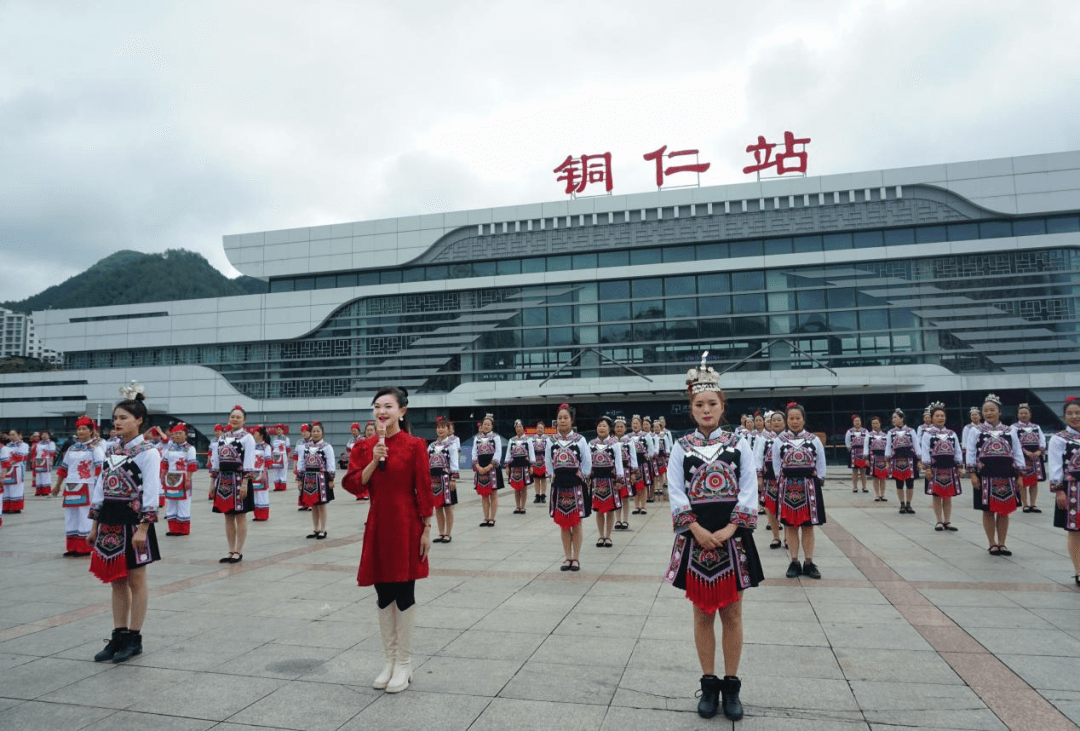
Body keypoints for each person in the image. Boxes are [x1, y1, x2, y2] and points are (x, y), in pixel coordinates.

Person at [664, 353, 760, 721]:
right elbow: (675, 490)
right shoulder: (680, 446)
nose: (706, 410)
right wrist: (698, 530)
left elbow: (749, 487)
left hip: (732, 538)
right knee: (702, 614)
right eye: (700, 404)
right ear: (691, 409)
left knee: (733, 615)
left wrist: (731, 527)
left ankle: (732, 686)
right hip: (696, 537)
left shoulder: (739, 443)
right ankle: (708, 684)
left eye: (713, 404)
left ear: (723, 406)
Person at [343, 386, 433, 694]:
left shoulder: (414, 445)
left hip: (407, 524)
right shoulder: (364, 446)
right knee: (383, 594)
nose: (382, 411)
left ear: (402, 411)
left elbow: (423, 487)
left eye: (388, 406)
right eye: (377, 406)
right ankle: (390, 660)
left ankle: (405, 664)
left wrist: (427, 527)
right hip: (378, 525)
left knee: (404, 590)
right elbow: (354, 484)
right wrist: (373, 459)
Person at [87, 384, 161, 663]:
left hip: (133, 522)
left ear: (139, 420)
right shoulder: (110, 448)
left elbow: (152, 492)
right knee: (116, 581)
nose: (117, 423)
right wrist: (94, 525)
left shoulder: (149, 452)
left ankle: (134, 637)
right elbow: (100, 485)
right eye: (115, 418)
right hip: (109, 522)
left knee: (136, 579)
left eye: (123, 418)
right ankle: (118, 635)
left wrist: (144, 527)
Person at [965, 394, 1024, 556]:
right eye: (986, 410)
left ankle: (1002, 543)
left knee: (1004, 510)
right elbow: (970, 452)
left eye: (992, 410)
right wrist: (972, 474)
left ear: (999, 411)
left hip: (1007, 475)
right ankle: (992, 543)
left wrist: (1020, 474)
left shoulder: (1010, 430)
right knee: (988, 510)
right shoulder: (975, 431)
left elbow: (1017, 452)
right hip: (984, 475)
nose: (989, 413)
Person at [774, 402, 827, 579]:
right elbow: (776, 465)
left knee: (808, 526)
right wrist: (781, 481)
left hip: (809, 487)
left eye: (798, 418)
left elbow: (821, 463)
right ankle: (794, 561)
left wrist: (818, 480)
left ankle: (809, 562)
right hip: (788, 487)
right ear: (786, 420)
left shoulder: (813, 440)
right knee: (790, 526)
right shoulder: (779, 441)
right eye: (791, 418)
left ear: (803, 419)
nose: (795, 421)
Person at [547, 403, 592, 571]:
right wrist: (552, 476)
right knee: (563, 524)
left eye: (566, 418)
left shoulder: (580, 440)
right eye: (560, 418)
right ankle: (567, 557)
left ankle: (576, 558)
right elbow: (547, 462)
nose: (562, 421)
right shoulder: (551, 441)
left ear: (572, 420)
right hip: (559, 485)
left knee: (576, 522)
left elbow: (587, 461)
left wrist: (585, 476)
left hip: (576, 485)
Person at [52, 416, 103, 555]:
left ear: (91, 431)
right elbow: (64, 468)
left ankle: (85, 547)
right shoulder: (72, 448)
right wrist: (57, 485)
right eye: (79, 429)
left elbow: (100, 468)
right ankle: (73, 547)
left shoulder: (95, 448)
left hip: (87, 486)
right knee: (70, 516)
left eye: (84, 429)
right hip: (71, 486)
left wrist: (99, 486)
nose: (81, 432)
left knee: (85, 515)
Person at [211, 406, 256, 563]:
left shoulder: (247, 437)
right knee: (228, 515)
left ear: (244, 420)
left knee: (240, 515)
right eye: (232, 416)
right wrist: (213, 481)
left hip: (239, 479)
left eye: (238, 417)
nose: (235, 419)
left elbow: (250, 460)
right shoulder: (222, 437)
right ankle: (230, 550)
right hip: (223, 480)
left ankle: (239, 550)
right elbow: (216, 460)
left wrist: (245, 482)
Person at [1047, 397, 1080, 586]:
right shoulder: (1059, 438)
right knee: (1075, 531)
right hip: (1072, 489)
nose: (1074, 416)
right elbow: (1055, 466)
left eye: (1077, 412)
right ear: (1065, 416)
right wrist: (1059, 491)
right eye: (1070, 413)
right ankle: (1078, 571)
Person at [919, 402, 963, 532]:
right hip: (935, 468)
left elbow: (958, 450)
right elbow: (925, 451)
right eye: (937, 416)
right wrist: (927, 467)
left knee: (948, 495)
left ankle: (947, 521)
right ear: (932, 418)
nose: (940, 418)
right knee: (937, 495)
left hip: (950, 467)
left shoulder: (951, 433)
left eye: (942, 416)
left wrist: (960, 465)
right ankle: (938, 520)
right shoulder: (928, 434)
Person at [589, 415, 624, 547]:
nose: (601, 428)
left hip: (610, 480)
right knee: (598, 510)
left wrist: (619, 479)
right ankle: (600, 536)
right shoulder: (591, 444)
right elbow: (587, 463)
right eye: (599, 426)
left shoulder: (615, 444)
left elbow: (619, 463)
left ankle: (608, 536)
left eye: (604, 426)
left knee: (610, 510)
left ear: (609, 429)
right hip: (596, 481)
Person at [297, 421, 335, 539]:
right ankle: (316, 529)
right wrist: (299, 479)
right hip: (308, 478)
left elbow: (331, 463)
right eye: (314, 431)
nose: (316, 433)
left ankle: (323, 529)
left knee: (322, 505)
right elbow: (301, 462)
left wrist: (331, 479)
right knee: (313, 504)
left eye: (318, 431)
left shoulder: (327, 447)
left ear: (322, 432)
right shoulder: (305, 447)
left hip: (322, 478)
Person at [161, 423, 198, 535]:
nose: (176, 435)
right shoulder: (169, 448)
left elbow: (191, 466)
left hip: (184, 478)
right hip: (170, 479)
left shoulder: (190, 449)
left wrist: (188, 479)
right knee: (171, 503)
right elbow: (164, 463)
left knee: (183, 504)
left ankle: (183, 529)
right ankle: (173, 529)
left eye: (179, 433)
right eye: (175, 433)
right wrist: (163, 477)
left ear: (186, 435)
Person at [754, 410, 784, 549]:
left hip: (786, 477)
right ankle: (776, 537)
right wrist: (759, 476)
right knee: (770, 506)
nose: (775, 423)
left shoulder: (788, 437)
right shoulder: (763, 437)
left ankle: (788, 538)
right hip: (769, 477)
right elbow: (758, 456)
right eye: (773, 420)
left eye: (779, 420)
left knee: (785, 506)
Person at [429, 416, 459, 543]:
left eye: (443, 427)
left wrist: (453, 479)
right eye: (438, 428)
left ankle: (448, 533)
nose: (440, 430)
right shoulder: (431, 446)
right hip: (434, 481)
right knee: (438, 507)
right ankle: (441, 532)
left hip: (446, 480)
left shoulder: (451, 445)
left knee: (448, 507)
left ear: (448, 429)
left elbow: (454, 463)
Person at [1014, 403, 1047, 513]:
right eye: (1021, 413)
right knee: (1022, 481)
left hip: (1035, 457)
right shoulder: (1014, 427)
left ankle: (1033, 504)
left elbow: (1042, 439)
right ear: (1018, 415)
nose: (1024, 415)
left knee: (1034, 482)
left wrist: (1039, 451)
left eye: (1026, 413)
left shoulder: (1036, 427)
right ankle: (1025, 504)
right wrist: (1025, 452)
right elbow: (1014, 442)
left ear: (1030, 414)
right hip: (1022, 457)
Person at [886, 409, 919, 514]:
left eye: (895, 417)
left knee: (910, 483)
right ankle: (902, 504)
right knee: (899, 483)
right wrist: (887, 461)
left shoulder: (911, 431)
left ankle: (909, 504)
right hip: (896, 459)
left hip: (910, 459)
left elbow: (916, 445)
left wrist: (920, 460)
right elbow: (888, 447)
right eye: (893, 418)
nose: (893, 420)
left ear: (902, 418)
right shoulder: (890, 432)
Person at [472, 415, 503, 527]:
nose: (486, 426)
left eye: (488, 424)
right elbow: (474, 453)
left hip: (492, 469)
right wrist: (478, 466)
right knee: (484, 495)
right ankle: (485, 518)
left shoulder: (496, 438)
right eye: (484, 424)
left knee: (493, 494)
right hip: (480, 468)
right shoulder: (477, 438)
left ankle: (492, 518)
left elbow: (498, 452)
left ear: (492, 426)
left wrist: (490, 466)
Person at [504, 419, 536, 514]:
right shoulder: (511, 440)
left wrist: (531, 466)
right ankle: (517, 506)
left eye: (520, 427)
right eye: (516, 427)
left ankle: (523, 506)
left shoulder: (528, 439)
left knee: (524, 487)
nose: (518, 428)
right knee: (516, 487)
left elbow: (531, 452)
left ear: (523, 428)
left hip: (524, 465)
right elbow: (508, 454)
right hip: (514, 466)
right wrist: (507, 466)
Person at [613, 416, 638, 532]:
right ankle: (617, 520)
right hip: (615, 472)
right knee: (616, 496)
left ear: (625, 428)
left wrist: (634, 472)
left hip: (626, 471)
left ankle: (625, 520)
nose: (619, 428)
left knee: (625, 497)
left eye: (621, 427)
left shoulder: (629, 441)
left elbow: (633, 457)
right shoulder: (611, 441)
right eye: (617, 426)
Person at [628, 415, 653, 516]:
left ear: (641, 425)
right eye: (633, 423)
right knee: (634, 485)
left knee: (644, 485)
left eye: (637, 423)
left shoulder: (646, 436)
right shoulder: (627, 437)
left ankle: (643, 506)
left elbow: (651, 449)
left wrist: (648, 457)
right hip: (633, 464)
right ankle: (636, 506)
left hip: (643, 463)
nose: (635, 425)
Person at [2, 429, 29, 513]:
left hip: (16, 468)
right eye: (10, 435)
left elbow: (20, 457)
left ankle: (15, 507)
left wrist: (8, 462)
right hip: (7, 468)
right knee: (6, 487)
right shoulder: (6, 445)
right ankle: (6, 507)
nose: (12, 436)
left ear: (19, 435)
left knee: (16, 487)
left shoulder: (23, 445)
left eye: (14, 434)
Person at [864, 417, 889, 502]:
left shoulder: (885, 435)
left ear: (880, 424)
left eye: (876, 423)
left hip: (883, 458)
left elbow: (888, 447)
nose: (875, 425)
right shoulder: (869, 435)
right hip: (873, 457)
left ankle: (883, 494)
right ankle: (877, 495)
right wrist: (866, 458)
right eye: (873, 423)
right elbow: (866, 447)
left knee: (883, 477)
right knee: (875, 477)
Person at [251, 425, 273, 521]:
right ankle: (256, 515)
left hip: (261, 473)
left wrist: (264, 474)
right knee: (255, 494)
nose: (253, 435)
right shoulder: (252, 445)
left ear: (260, 435)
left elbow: (268, 462)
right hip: (253, 473)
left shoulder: (266, 447)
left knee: (262, 494)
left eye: (255, 433)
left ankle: (263, 515)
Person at [845, 416, 869, 494]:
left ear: (861, 422)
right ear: (853, 423)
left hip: (863, 452)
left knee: (863, 471)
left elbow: (868, 442)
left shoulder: (865, 431)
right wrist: (850, 450)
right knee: (854, 471)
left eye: (859, 421)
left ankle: (864, 487)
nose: (857, 423)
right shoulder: (850, 431)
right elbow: (847, 442)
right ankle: (855, 487)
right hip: (853, 453)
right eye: (856, 421)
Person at [293, 423, 313, 510]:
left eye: (306, 431)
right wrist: (294, 466)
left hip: (311, 467)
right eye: (302, 432)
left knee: (311, 486)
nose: (304, 433)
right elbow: (295, 455)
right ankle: (304, 504)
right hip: (301, 467)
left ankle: (312, 504)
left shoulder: (313, 441)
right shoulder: (299, 442)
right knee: (301, 486)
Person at [652, 418, 672, 501]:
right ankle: (656, 487)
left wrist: (668, 452)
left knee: (662, 471)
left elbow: (668, 445)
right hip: (654, 457)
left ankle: (662, 485)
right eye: (655, 427)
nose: (656, 428)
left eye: (658, 427)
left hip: (662, 456)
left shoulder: (664, 435)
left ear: (660, 428)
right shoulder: (651, 436)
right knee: (655, 472)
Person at [32, 430, 57, 497]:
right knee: (38, 476)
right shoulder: (38, 443)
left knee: (46, 476)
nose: (44, 436)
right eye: (43, 434)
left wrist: (51, 462)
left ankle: (46, 491)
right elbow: (36, 453)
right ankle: (38, 491)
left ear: (49, 436)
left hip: (46, 461)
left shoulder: (51, 443)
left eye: (46, 434)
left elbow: (52, 454)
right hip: (38, 461)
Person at [345, 423, 366, 500]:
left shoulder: (362, 439)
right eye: (352, 431)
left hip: (361, 461)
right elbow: (347, 448)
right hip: (353, 461)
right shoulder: (350, 440)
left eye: (355, 431)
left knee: (363, 477)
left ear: (359, 431)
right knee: (355, 479)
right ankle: (359, 495)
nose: (354, 432)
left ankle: (365, 494)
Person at [531, 420, 549, 504]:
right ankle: (537, 495)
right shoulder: (532, 439)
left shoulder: (547, 439)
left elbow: (549, 450)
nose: (540, 429)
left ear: (544, 429)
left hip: (544, 461)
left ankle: (543, 495)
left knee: (544, 479)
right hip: (535, 461)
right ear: (536, 429)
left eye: (541, 428)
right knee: (536, 479)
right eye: (538, 428)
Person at [270, 424, 291, 492]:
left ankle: (282, 487)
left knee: (283, 471)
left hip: (283, 455)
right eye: (277, 430)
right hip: (275, 456)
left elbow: (288, 449)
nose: (279, 431)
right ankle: (277, 487)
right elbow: (272, 448)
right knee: (276, 472)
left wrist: (288, 457)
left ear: (283, 430)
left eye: (280, 430)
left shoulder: (286, 438)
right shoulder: (274, 438)